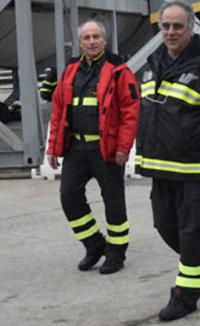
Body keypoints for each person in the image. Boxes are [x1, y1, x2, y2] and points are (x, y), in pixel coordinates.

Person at [135, 0, 200, 321]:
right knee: (166, 227)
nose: (170, 32)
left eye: (177, 26)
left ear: (190, 29)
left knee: (192, 231)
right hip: (160, 167)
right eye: (165, 26)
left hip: (195, 170)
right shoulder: (152, 64)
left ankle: (184, 296)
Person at [46, 19, 139, 275]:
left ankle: (117, 253)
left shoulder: (118, 70)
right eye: (87, 38)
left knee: (113, 201)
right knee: (69, 197)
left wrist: (124, 147)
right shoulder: (70, 71)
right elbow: (58, 110)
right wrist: (53, 147)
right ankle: (95, 245)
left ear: (105, 40)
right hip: (76, 148)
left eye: (96, 36)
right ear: (80, 42)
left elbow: (131, 111)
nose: (92, 41)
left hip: (106, 149)